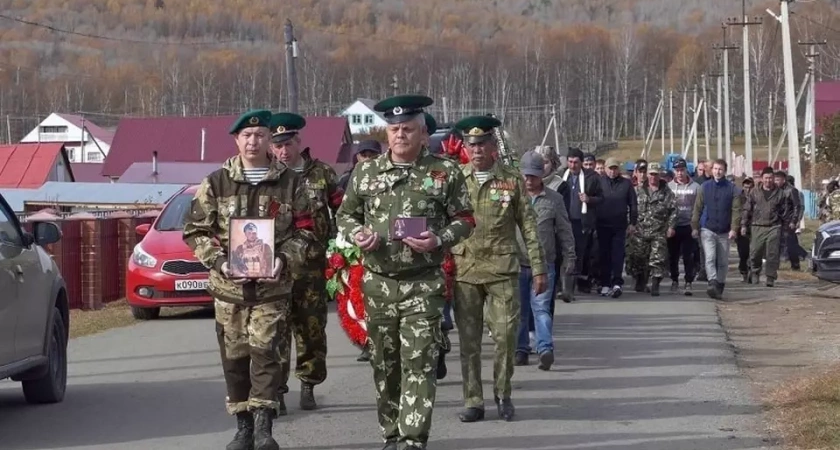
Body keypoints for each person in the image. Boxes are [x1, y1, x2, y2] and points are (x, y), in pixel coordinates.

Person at [335, 95, 475, 450]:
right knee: (385, 365)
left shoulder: (444, 172)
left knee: (420, 362)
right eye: (394, 129)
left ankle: (413, 439)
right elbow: (346, 214)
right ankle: (392, 433)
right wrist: (358, 234)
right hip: (379, 284)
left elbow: (466, 218)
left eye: (408, 129)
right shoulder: (366, 173)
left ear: (423, 133)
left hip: (422, 283)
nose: (400, 135)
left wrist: (439, 239)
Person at [183, 109, 319, 450]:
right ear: (237, 140)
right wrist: (218, 260)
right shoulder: (215, 183)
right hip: (229, 289)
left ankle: (263, 428)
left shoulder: (290, 182)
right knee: (235, 359)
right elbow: (195, 231)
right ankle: (242, 427)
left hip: (272, 286)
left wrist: (285, 259)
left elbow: (306, 230)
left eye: (260, 136)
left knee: (266, 353)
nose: (254, 141)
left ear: (269, 140)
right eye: (247, 135)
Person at [450, 115, 546, 423]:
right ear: (465, 148)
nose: (477, 150)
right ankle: (473, 399)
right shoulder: (454, 179)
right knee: (469, 341)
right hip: (465, 269)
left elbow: (528, 226)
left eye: (482, 144)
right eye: (471, 145)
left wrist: (540, 268)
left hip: (503, 269)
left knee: (505, 336)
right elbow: (439, 223)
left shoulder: (512, 179)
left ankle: (503, 393)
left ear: (494, 147)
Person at [268, 112, 339, 413]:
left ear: (299, 141)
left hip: (310, 269)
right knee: (275, 331)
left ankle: (308, 385)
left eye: (288, 143)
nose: (283, 150)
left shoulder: (322, 173)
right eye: (277, 145)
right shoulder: (266, 176)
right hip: (274, 270)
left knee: (311, 330)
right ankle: (278, 391)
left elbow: (342, 210)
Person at [514, 150, 575, 369]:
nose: (529, 180)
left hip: (545, 263)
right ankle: (520, 350)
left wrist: (570, 258)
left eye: (534, 175)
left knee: (541, 308)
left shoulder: (554, 199)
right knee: (520, 310)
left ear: (542, 175)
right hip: (517, 263)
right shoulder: (512, 197)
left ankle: (545, 349)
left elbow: (564, 230)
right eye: (526, 175)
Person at [690, 159, 741, 299]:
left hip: (724, 230)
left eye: (720, 169)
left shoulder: (732, 189)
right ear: (711, 170)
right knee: (710, 257)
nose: (718, 172)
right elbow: (697, 208)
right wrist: (695, 226)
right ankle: (712, 282)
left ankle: (720, 284)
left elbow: (736, 210)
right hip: (708, 229)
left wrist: (734, 228)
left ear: (724, 171)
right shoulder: (704, 187)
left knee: (723, 261)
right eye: (715, 169)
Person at [626, 162, 676, 296]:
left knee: (657, 258)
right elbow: (630, 208)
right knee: (638, 259)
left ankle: (655, 284)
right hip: (640, 231)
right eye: (651, 174)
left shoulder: (667, 192)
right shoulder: (638, 191)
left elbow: (673, 211)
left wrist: (671, 226)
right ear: (647, 175)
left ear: (660, 175)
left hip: (659, 230)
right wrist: (630, 224)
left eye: (656, 174)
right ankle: (641, 281)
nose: (653, 177)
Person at [560, 147, 603, 294]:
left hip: (581, 221)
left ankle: (574, 286)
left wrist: (589, 199)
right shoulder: (561, 176)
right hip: (563, 221)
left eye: (576, 162)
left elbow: (602, 198)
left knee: (579, 254)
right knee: (563, 252)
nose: (573, 165)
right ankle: (563, 286)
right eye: (570, 162)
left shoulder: (592, 177)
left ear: (581, 163)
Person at [742, 166, 792, 288]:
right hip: (757, 225)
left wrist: (786, 226)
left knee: (772, 253)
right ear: (761, 179)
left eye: (770, 178)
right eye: (766, 178)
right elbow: (747, 209)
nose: (768, 181)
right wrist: (743, 225)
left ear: (773, 178)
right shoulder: (754, 192)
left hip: (774, 226)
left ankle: (770, 277)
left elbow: (785, 211)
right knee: (755, 252)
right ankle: (754, 273)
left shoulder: (780, 193)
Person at [596, 158, 638, 298]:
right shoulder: (599, 182)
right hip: (602, 225)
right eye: (610, 168)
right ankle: (605, 283)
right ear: (605, 169)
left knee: (618, 255)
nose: (612, 171)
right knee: (604, 255)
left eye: (615, 168)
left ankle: (617, 283)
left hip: (619, 226)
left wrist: (632, 223)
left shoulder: (626, 184)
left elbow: (633, 204)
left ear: (618, 169)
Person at [667, 158, 700, 295]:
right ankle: (675, 280)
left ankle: (688, 281)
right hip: (673, 226)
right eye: (677, 170)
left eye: (682, 170)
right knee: (673, 256)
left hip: (689, 226)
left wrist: (696, 227)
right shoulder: (668, 187)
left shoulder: (696, 187)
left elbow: (699, 208)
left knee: (688, 256)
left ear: (686, 170)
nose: (680, 173)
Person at [737, 178, 754, 282]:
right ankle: (744, 271)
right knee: (743, 252)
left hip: (754, 227)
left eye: (750, 187)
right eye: (746, 187)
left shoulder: (756, 196)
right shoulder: (738, 197)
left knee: (753, 252)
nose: (748, 189)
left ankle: (753, 271)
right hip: (741, 228)